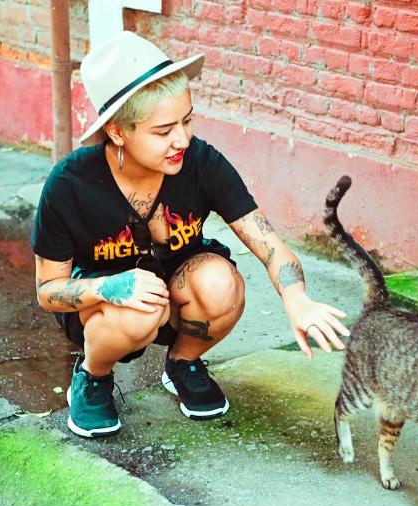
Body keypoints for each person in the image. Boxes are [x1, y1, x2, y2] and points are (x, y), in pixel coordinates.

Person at [32, 31, 349, 438]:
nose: (181, 139)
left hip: (182, 294)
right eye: (163, 131)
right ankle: (94, 376)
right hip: (107, 311)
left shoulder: (201, 162)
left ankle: (183, 363)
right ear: (117, 132)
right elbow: (48, 291)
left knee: (221, 282)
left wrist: (296, 297)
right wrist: (110, 287)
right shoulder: (70, 184)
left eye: (187, 120)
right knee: (137, 309)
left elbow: (268, 244)